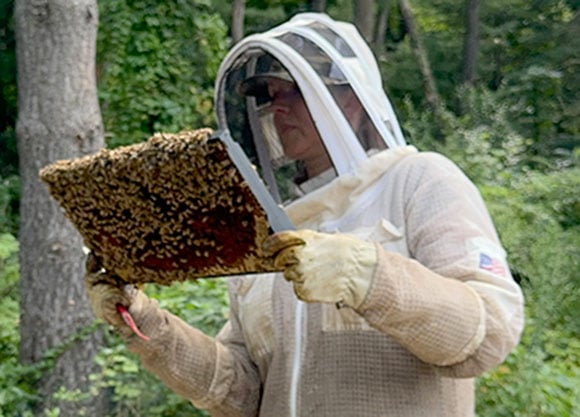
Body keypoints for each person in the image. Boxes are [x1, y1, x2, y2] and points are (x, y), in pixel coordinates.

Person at [86, 13, 524, 417]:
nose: (277, 108)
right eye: (271, 96)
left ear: (350, 101)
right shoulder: (266, 225)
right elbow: (242, 392)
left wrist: (370, 277)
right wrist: (143, 320)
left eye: (294, 90)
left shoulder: (418, 182)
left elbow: (490, 332)